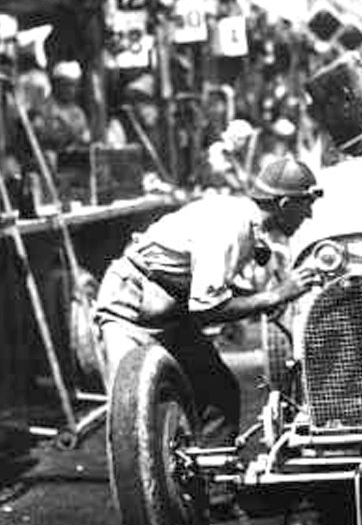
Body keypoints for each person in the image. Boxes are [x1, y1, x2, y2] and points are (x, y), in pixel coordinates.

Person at [94, 156, 324, 448]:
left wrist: (267, 297)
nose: (309, 216)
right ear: (284, 205)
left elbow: (208, 290)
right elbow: (206, 309)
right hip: (130, 309)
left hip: (170, 308)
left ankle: (217, 484)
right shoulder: (230, 227)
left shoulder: (246, 221)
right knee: (135, 417)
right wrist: (274, 296)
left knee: (218, 393)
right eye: (306, 205)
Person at [29, 61, 91, 171]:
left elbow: (84, 139)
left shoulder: (78, 113)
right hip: (48, 167)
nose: (70, 90)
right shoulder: (43, 110)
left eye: (74, 85)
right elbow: (39, 137)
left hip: (73, 167)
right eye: (66, 85)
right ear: (56, 84)